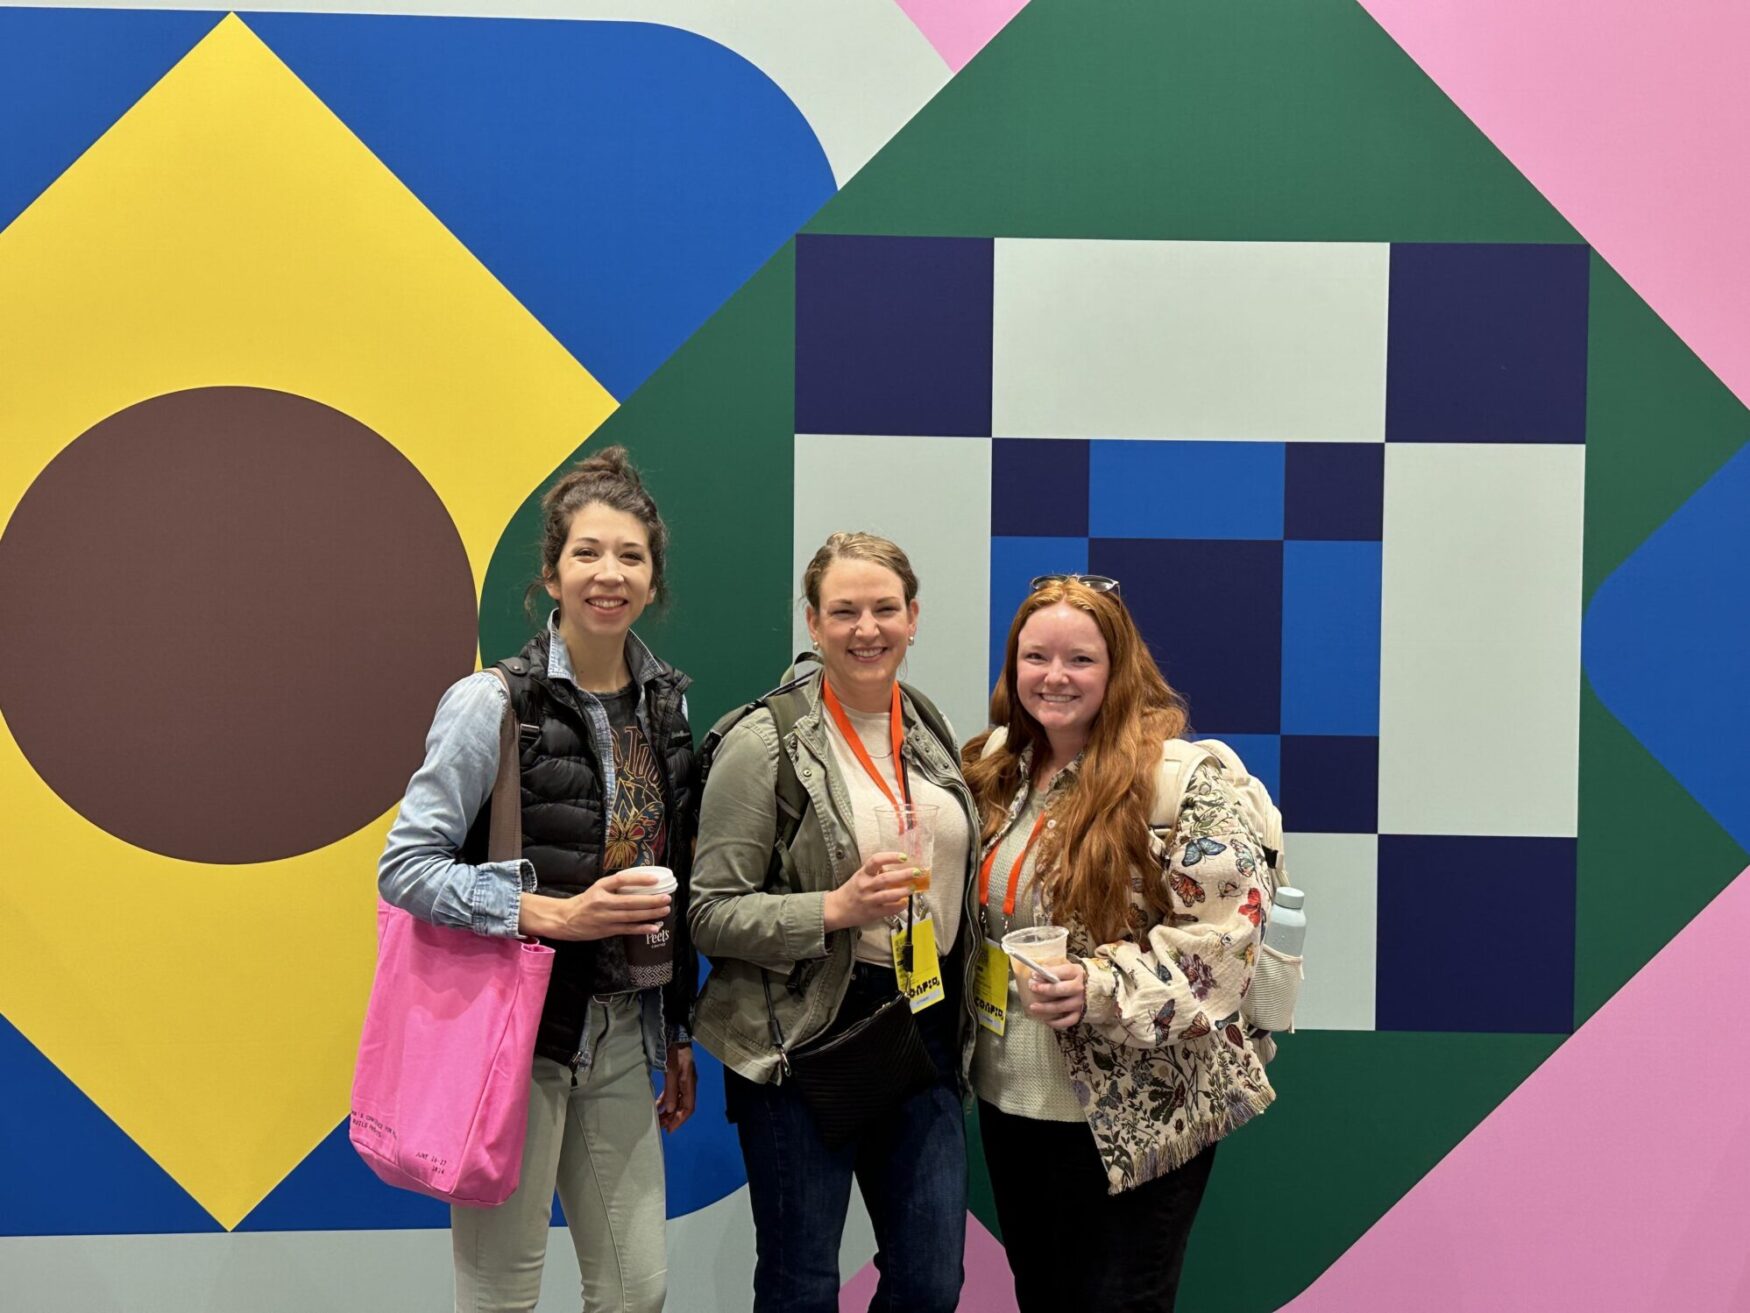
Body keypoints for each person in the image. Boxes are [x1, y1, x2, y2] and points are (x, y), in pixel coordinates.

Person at [378, 446, 699, 1313]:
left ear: (653, 578)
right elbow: (404, 865)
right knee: (502, 1297)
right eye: (588, 553)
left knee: (638, 1290)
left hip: (621, 1029)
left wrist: (675, 1028)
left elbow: (678, 881)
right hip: (511, 1038)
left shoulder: (668, 704)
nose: (610, 573)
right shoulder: (491, 701)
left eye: (631, 556)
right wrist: (548, 914)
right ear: (552, 574)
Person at [962, 575, 1277, 1313]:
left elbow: (1223, 945)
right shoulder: (993, 770)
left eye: (1081, 659)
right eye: (1035, 656)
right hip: (1013, 1100)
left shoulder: (1185, 782)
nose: (1055, 676)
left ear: (1120, 667)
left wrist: (1099, 988)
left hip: (1141, 1106)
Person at [689, 532, 979, 1313]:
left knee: (930, 1282)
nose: (867, 628)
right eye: (844, 611)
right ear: (812, 624)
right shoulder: (761, 742)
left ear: (913, 618)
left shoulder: (926, 724)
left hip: (923, 1018)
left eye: (886, 608)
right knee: (802, 1284)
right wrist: (834, 909)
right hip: (805, 1036)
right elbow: (710, 911)